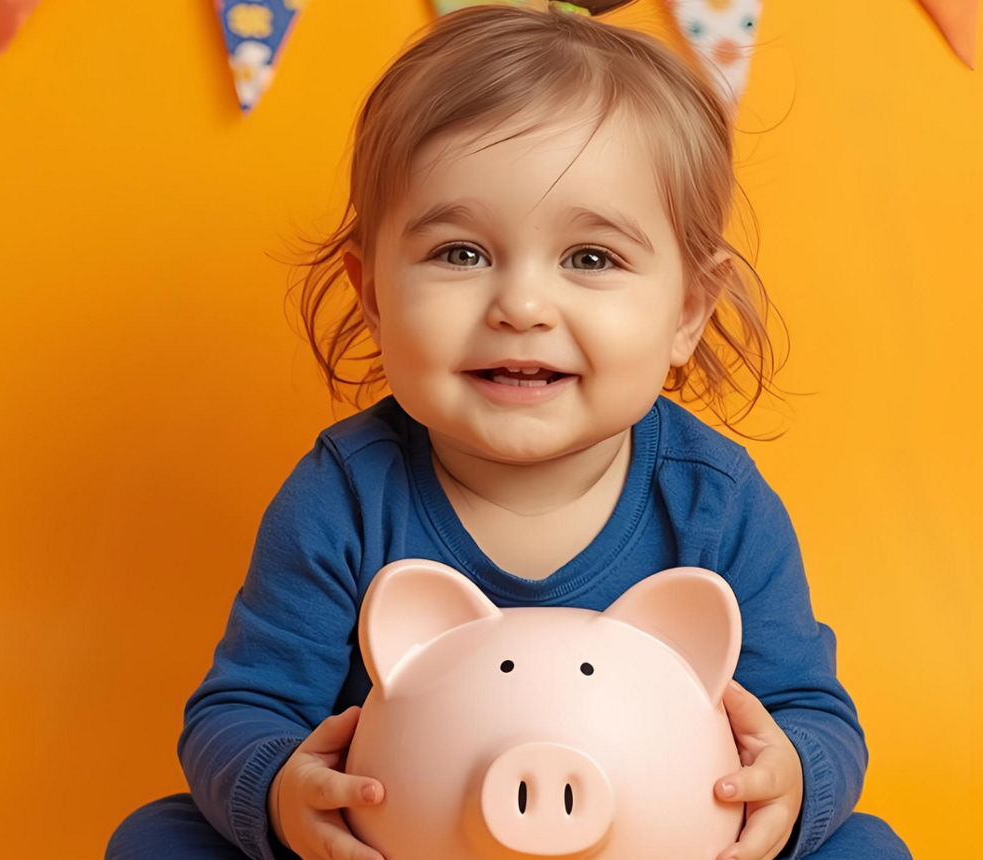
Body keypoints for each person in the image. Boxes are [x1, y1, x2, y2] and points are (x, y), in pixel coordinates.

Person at [107, 4, 912, 860]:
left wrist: (788, 779)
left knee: (865, 848)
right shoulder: (346, 494)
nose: (522, 307)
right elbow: (243, 709)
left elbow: (811, 713)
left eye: (590, 259)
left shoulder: (713, 504)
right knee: (157, 840)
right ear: (373, 295)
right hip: (404, 846)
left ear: (686, 311)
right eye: (460, 253)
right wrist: (280, 792)